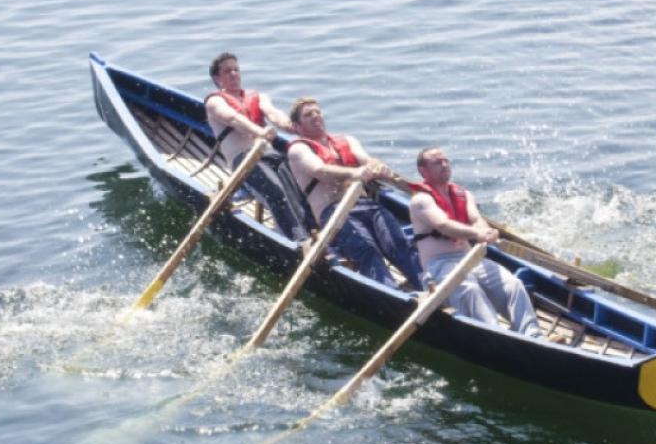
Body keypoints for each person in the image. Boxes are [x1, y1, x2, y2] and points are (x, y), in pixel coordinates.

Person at [287, 97, 423, 290]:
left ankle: (427, 289)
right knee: (367, 251)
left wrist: (382, 171)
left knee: (399, 244)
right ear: (297, 126)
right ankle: (389, 293)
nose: (316, 116)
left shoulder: (347, 141)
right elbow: (320, 171)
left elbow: (367, 161)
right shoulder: (298, 149)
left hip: (366, 205)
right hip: (334, 213)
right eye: (308, 115)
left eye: (317, 111)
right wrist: (355, 173)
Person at [408, 147, 541, 336]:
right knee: (470, 290)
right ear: (423, 171)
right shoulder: (421, 200)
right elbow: (443, 225)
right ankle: (495, 335)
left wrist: (486, 230)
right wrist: (477, 235)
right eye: (437, 162)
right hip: (441, 266)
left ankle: (533, 335)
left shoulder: (464, 194)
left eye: (446, 160)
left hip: (471, 258)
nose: (444, 165)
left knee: (513, 284)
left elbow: (476, 219)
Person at [205, 52, 307, 241]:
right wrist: (259, 132)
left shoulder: (258, 96)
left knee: (301, 187)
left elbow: (274, 114)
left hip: (269, 155)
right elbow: (233, 118)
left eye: (236, 70)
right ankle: (299, 241)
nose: (234, 74)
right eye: (228, 71)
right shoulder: (214, 101)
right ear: (217, 78)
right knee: (277, 193)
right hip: (244, 161)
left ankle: (316, 234)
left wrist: (293, 127)